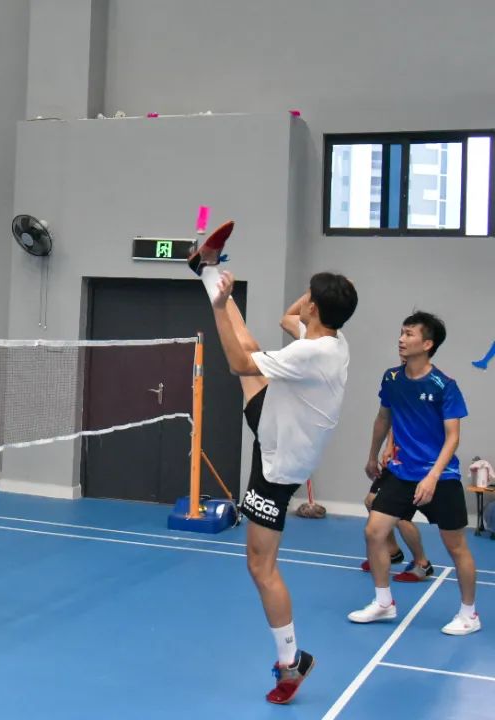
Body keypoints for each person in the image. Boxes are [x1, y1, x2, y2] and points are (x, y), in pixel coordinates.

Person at [190, 224, 357, 704]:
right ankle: (206, 269)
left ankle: (291, 662)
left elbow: (238, 364)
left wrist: (221, 307)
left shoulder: (312, 353)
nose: (303, 301)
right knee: (252, 346)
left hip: (279, 460)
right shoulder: (332, 341)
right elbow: (289, 321)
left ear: (316, 307)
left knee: (261, 567)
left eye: (310, 297)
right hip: (280, 422)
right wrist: (314, 301)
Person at [348, 311, 480, 636]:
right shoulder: (392, 378)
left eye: (409, 334)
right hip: (401, 472)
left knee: (456, 546)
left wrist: (432, 476)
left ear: (428, 343)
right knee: (374, 531)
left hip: (440, 476)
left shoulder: (444, 386)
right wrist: (372, 455)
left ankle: (469, 614)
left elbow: (452, 437)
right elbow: (384, 417)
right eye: (401, 333)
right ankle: (383, 602)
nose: (401, 339)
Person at [359, 426, 432, 581]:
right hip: (395, 462)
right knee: (372, 502)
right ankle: (392, 551)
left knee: (401, 518)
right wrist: (389, 446)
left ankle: (422, 564)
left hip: (414, 464)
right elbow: (393, 421)